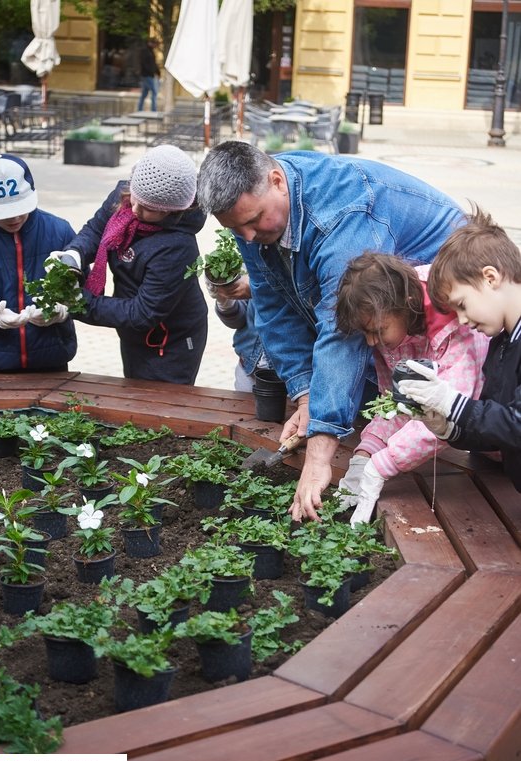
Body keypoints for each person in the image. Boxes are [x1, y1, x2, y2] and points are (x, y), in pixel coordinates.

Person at [196, 141, 466, 520]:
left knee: (459, 431)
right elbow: (274, 308)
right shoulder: (261, 211)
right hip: (390, 337)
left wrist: (320, 455)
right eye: (236, 228)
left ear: (276, 180)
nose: (249, 237)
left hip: (449, 321)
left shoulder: (342, 218)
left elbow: (343, 333)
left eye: (254, 220)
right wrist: (307, 397)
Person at [334, 252, 489, 525]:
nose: (372, 342)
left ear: (405, 304)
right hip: (486, 449)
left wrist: (383, 465)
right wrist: (365, 452)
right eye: (365, 334)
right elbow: (396, 405)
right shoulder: (391, 324)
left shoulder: (455, 322)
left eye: (378, 330)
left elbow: (446, 415)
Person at [50, 145, 208, 384]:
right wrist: (74, 254)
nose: (134, 209)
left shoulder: (178, 247)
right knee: (134, 386)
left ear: (172, 211)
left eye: (148, 209)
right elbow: (95, 230)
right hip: (132, 330)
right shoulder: (124, 196)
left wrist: (79, 302)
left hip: (170, 340)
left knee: (157, 406)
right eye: (135, 197)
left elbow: (142, 313)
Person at [397, 207, 521, 492]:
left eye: (462, 304)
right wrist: (448, 427)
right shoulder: (502, 344)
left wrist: (453, 402)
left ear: (490, 277)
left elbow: (517, 425)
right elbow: (497, 432)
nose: (462, 320)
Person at [0, 153, 77, 372]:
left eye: (20, 209)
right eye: (4, 212)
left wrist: (65, 308)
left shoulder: (60, 231)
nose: (14, 218)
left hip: (52, 361)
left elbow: (89, 288)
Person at [207, 273, 271, 391]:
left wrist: (260, 287)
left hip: (297, 375)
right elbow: (239, 322)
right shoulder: (252, 256)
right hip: (248, 369)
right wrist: (225, 301)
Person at [137, 38, 160, 112]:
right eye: (154, 44)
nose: (155, 46)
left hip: (149, 75)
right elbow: (144, 64)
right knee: (154, 92)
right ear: (150, 43)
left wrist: (157, 72)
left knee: (144, 93)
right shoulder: (144, 51)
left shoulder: (151, 52)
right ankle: (153, 110)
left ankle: (139, 109)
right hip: (146, 75)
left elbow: (154, 64)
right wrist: (151, 71)